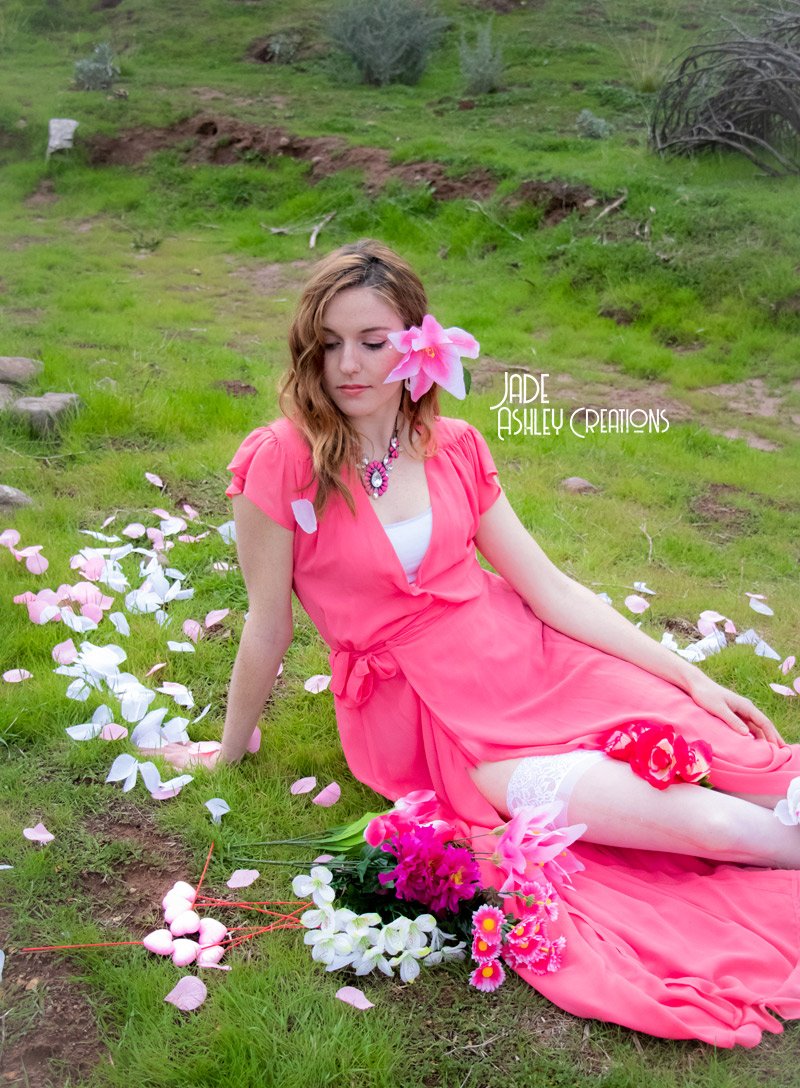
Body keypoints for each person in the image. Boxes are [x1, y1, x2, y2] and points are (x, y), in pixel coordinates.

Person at [166, 238, 800, 1046]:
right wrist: (229, 747)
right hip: (447, 721)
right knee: (708, 825)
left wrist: (688, 676)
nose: (348, 365)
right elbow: (269, 622)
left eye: (372, 341)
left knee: (738, 761)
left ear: (417, 345)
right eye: (328, 344)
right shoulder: (283, 460)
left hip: (534, 658)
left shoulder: (454, 445)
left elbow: (552, 589)